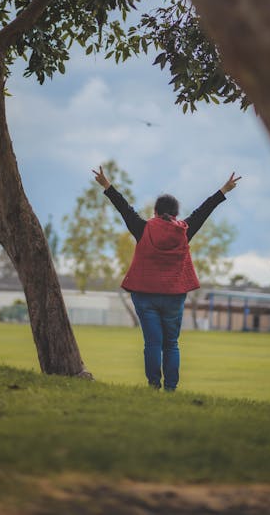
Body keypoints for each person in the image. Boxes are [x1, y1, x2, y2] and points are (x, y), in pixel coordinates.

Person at [92, 166, 241, 391]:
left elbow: (124, 209)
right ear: (176, 213)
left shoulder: (142, 228)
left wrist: (107, 186)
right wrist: (224, 190)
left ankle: (153, 385)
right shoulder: (184, 230)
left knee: (152, 343)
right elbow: (204, 211)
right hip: (174, 296)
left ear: (155, 211)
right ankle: (171, 388)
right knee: (171, 344)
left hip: (144, 295)